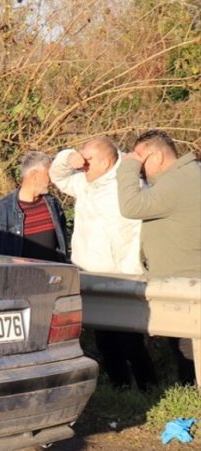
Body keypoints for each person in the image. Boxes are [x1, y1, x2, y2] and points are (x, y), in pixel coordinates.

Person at [51, 137, 155, 391]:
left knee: (130, 339)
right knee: (104, 339)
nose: (83, 165)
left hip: (124, 276)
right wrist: (68, 157)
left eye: (88, 160)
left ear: (107, 161)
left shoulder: (129, 184)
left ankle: (148, 386)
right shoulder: (84, 183)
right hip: (90, 274)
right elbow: (57, 175)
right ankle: (120, 385)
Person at [117, 129, 201, 384]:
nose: (140, 171)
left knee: (189, 353)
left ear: (156, 156)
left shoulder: (178, 182)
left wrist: (127, 167)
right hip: (184, 282)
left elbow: (130, 206)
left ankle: (191, 406)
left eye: (141, 163)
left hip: (186, 285)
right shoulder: (187, 175)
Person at [0, 151, 68, 261]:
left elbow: (61, 247)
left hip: (52, 276)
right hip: (19, 276)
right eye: (48, 175)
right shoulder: (1, 211)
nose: (51, 180)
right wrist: (11, 261)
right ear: (34, 176)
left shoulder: (53, 204)